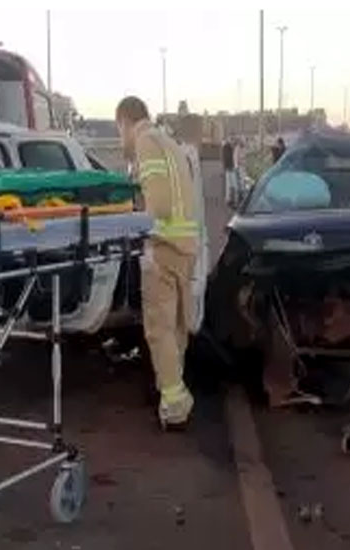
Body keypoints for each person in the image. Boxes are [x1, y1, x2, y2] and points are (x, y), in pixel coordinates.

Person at [116, 96, 200, 429]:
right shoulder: (169, 142)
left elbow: (159, 205)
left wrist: (140, 226)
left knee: (159, 329)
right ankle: (173, 389)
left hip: (163, 245)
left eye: (119, 130)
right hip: (185, 245)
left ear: (125, 121)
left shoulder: (145, 142)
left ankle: (175, 404)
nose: (121, 138)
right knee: (176, 327)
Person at [222, 137, 240, 206]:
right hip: (231, 168)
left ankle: (231, 199)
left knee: (230, 185)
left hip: (231, 168)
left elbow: (228, 158)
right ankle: (233, 200)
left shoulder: (230, 147)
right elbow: (227, 158)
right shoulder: (227, 148)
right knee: (233, 185)